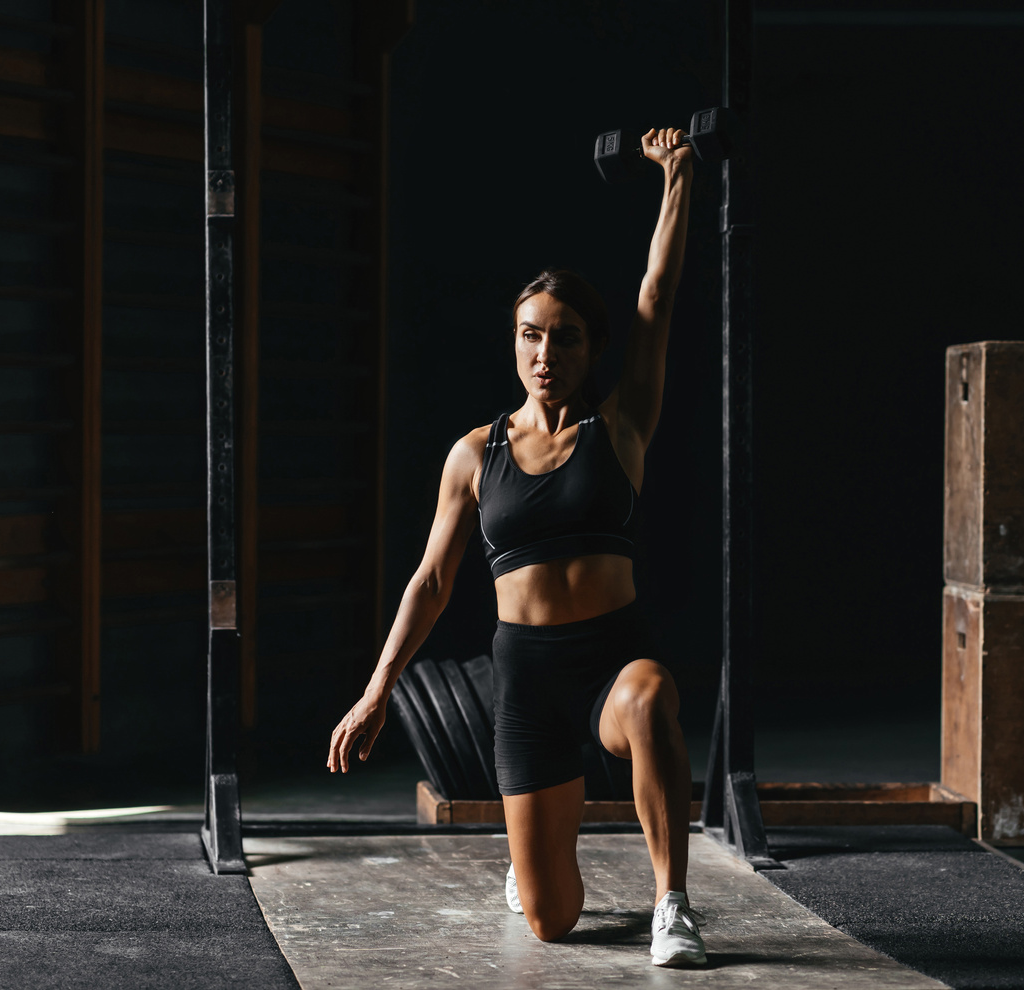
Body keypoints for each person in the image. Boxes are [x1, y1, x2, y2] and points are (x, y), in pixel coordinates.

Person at [327, 126, 703, 966]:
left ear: (590, 348)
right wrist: (376, 688)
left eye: (564, 336)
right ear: (514, 344)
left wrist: (678, 176)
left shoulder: (622, 427)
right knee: (551, 925)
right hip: (524, 686)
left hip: (612, 665)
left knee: (651, 699)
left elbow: (657, 293)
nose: (544, 352)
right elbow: (430, 580)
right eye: (530, 334)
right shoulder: (475, 454)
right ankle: (529, 871)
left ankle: (671, 904)